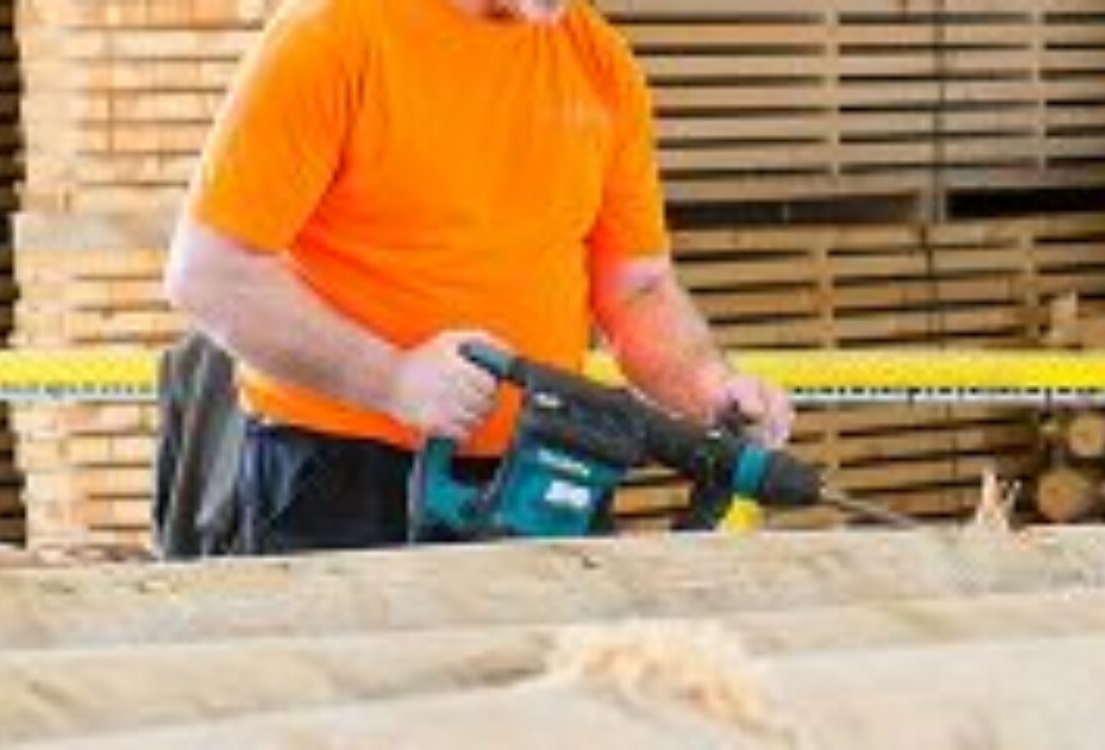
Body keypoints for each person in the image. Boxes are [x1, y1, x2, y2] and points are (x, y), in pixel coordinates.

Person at [164, 0, 791, 554]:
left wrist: (709, 387)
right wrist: (393, 379)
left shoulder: (599, 62)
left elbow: (638, 289)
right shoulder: (333, 35)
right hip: (337, 478)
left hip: (545, 471)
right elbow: (211, 275)